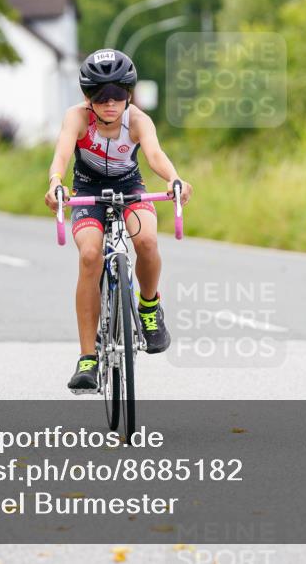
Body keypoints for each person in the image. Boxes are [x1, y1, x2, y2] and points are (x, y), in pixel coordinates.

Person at [45, 49, 192, 392]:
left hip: (129, 187)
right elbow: (62, 154)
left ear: (129, 94)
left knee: (147, 241)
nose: (110, 103)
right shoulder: (76, 118)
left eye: (118, 94)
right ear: (87, 98)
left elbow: (154, 154)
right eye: (100, 95)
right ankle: (87, 359)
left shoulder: (138, 120)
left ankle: (149, 308)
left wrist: (174, 179)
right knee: (89, 255)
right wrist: (55, 182)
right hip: (87, 190)